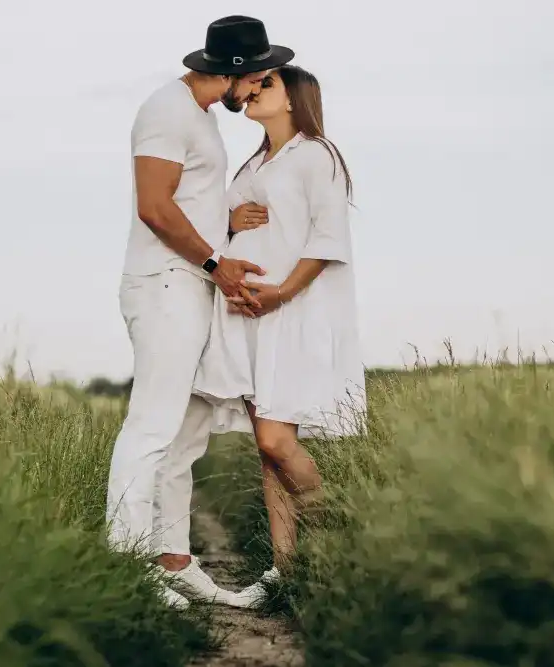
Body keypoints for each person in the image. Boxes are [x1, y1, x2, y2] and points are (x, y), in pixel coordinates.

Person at [106, 16, 295, 610]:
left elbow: (185, 204)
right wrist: (218, 261)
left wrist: (225, 226)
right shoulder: (166, 109)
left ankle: (174, 562)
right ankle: (127, 565)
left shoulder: (201, 116)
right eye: (260, 73)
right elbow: (155, 208)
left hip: (191, 288)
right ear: (235, 72)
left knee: (186, 437)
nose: (263, 81)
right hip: (166, 286)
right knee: (152, 427)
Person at [193, 64, 366, 608]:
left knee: (276, 440)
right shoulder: (253, 162)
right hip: (250, 316)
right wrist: (229, 224)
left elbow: (328, 236)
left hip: (292, 310)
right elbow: (218, 226)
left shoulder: (317, 155)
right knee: (266, 455)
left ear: (293, 97)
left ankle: (347, 543)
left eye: (265, 83)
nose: (250, 90)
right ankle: (285, 569)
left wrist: (283, 293)